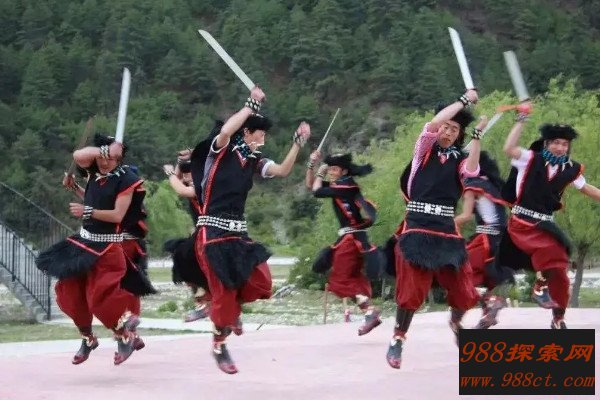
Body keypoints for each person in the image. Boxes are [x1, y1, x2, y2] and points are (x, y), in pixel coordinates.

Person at [189, 86, 311, 374]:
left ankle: (229, 309)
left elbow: (282, 171)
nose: (263, 139)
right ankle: (219, 345)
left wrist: (297, 144)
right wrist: (250, 104)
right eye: (260, 134)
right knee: (223, 291)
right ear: (246, 132)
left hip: (238, 235)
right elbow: (226, 131)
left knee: (261, 281)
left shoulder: (254, 161)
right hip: (213, 234)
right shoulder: (221, 151)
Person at [386, 90, 495, 369]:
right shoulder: (423, 151)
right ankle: (398, 338)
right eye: (446, 126)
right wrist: (464, 100)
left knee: (463, 287)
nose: (447, 131)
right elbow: (433, 124)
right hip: (417, 227)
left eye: (454, 129)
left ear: (459, 135)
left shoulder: (460, 160)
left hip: (446, 230)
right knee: (412, 288)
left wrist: (477, 136)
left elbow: (472, 170)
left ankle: (456, 322)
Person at [37, 134, 153, 365]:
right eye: (101, 157)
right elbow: (78, 156)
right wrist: (76, 187)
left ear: (119, 158)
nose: (104, 162)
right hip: (83, 244)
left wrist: (86, 212)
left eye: (110, 158)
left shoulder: (127, 179)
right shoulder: (94, 172)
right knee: (68, 293)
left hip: (109, 247)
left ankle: (125, 333)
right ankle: (88, 338)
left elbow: (117, 214)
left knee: (100, 298)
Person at [498, 103, 600, 329]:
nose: (560, 147)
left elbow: (586, 188)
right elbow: (509, 148)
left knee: (561, 271)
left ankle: (558, 318)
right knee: (552, 250)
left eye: (564, 144)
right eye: (556, 142)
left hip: (545, 224)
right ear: (546, 143)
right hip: (522, 222)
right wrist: (521, 119)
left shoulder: (571, 169)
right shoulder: (529, 159)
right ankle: (539, 287)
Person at [306, 151, 383, 335]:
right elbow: (311, 185)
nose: (331, 172)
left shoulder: (345, 187)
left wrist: (320, 172)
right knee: (352, 277)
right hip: (354, 239)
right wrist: (311, 165)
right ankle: (369, 312)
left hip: (351, 241)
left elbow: (317, 191)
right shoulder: (342, 185)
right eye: (330, 169)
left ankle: (370, 311)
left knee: (339, 280)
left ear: (344, 171)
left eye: (334, 169)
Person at [454, 151, 513, 329]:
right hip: (503, 239)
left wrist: (441, 224)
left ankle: (489, 304)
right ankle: (490, 308)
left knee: (462, 275)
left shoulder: (472, 186)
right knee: (491, 279)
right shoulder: (494, 186)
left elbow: (465, 216)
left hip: (486, 240)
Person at [163, 153, 211, 323]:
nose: (186, 178)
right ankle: (202, 302)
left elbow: (180, 189)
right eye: (185, 174)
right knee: (182, 257)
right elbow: (178, 181)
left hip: (214, 231)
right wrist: (180, 161)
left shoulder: (204, 186)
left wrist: (170, 172)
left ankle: (217, 305)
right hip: (201, 232)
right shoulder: (191, 183)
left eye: (190, 173)